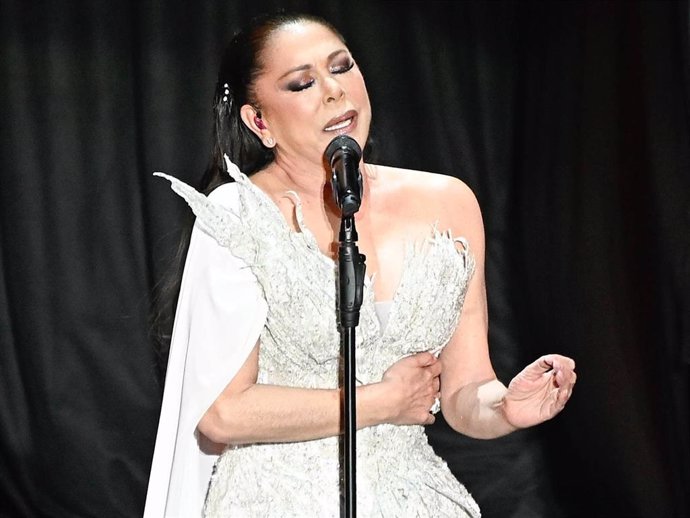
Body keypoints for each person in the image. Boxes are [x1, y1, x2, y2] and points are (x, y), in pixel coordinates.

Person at [144, 12, 577, 518]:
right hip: (275, 499)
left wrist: (505, 407)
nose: (333, 90)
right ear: (258, 122)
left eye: (342, 67)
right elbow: (220, 412)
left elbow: (463, 391)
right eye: (302, 82)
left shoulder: (448, 201)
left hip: (410, 495)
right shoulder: (239, 215)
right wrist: (380, 402)